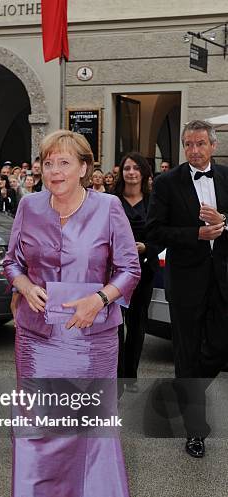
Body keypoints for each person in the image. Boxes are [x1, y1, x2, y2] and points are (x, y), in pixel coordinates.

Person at [3, 129, 140, 497]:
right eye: (47, 163)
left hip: (91, 339)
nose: (54, 171)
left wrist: (98, 298)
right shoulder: (28, 206)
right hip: (38, 337)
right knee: (38, 432)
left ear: (84, 168)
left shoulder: (109, 208)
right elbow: (11, 262)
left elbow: (129, 268)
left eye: (64, 163)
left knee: (86, 434)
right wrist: (24, 286)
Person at [146, 119, 228, 458]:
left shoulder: (226, 176)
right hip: (185, 281)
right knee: (186, 352)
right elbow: (154, 232)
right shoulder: (167, 183)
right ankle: (196, 431)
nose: (194, 150)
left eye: (200, 144)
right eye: (188, 145)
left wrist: (224, 223)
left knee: (220, 346)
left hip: (223, 279)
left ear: (213, 146)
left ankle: (186, 389)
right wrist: (196, 234)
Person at [113, 153, 160, 391]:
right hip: (113, 272)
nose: (131, 172)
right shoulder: (111, 201)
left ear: (144, 172)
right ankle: (117, 374)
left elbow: (162, 235)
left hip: (143, 270)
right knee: (115, 325)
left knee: (137, 323)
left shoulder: (155, 201)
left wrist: (147, 247)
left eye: (135, 168)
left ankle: (130, 375)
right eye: (126, 168)